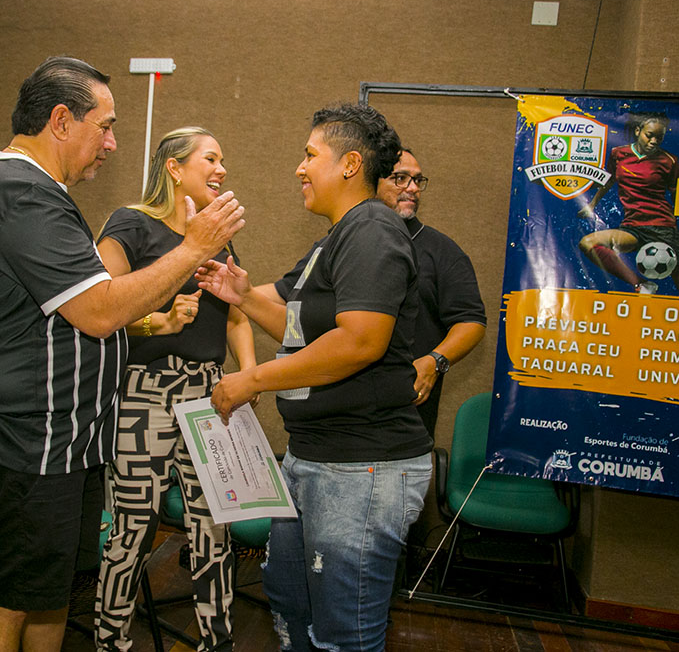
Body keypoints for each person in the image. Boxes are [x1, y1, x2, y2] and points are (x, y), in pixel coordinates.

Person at [0, 57, 245, 652]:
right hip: (26, 440)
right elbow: (102, 310)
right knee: (9, 600)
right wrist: (191, 250)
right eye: (105, 125)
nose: (112, 143)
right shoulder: (23, 196)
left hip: (63, 439)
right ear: (61, 120)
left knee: (50, 592)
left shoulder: (43, 195)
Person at [196, 104, 431, 651]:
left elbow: (359, 341)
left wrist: (252, 380)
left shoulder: (372, 229)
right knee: (293, 612)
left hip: (362, 469)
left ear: (350, 164)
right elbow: (300, 326)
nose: (299, 168)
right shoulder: (336, 237)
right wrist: (243, 296)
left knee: (343, 636)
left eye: (309, 155)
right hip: (315, 460)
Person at [94, 127, 256, 651]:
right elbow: (98, 307)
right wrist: (157, 321)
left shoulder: (216, 238)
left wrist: (247, 376)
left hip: (210, 393)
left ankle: (217, 641)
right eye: (211, 157)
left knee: (214, 528)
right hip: (145, 393)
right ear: (173, 166)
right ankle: (110, 640)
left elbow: (235, 319)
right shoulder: (131, 224)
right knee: (133, 532)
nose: (221, 169)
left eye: (223, 159)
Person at [265, 148, 486, 438]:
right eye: (400, 178)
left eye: (418, 181)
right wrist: (221, 290)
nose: (412, 188)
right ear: (373, 180)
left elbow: (471, 321)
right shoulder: (335, 243)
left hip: (394, 427)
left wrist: (435, 361)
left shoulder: (442, 251)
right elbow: (281, 295)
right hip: (328, 424)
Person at [577, 114, 679, 297]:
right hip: (633, 229)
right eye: (649, 135)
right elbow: (608, 181)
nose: (654, 141)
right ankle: (641, 284)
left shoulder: (669, 161)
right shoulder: (619, 154)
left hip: (664, 229)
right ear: (638, 131)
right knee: (588, 243)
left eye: (659, 138)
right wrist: (591, 205)